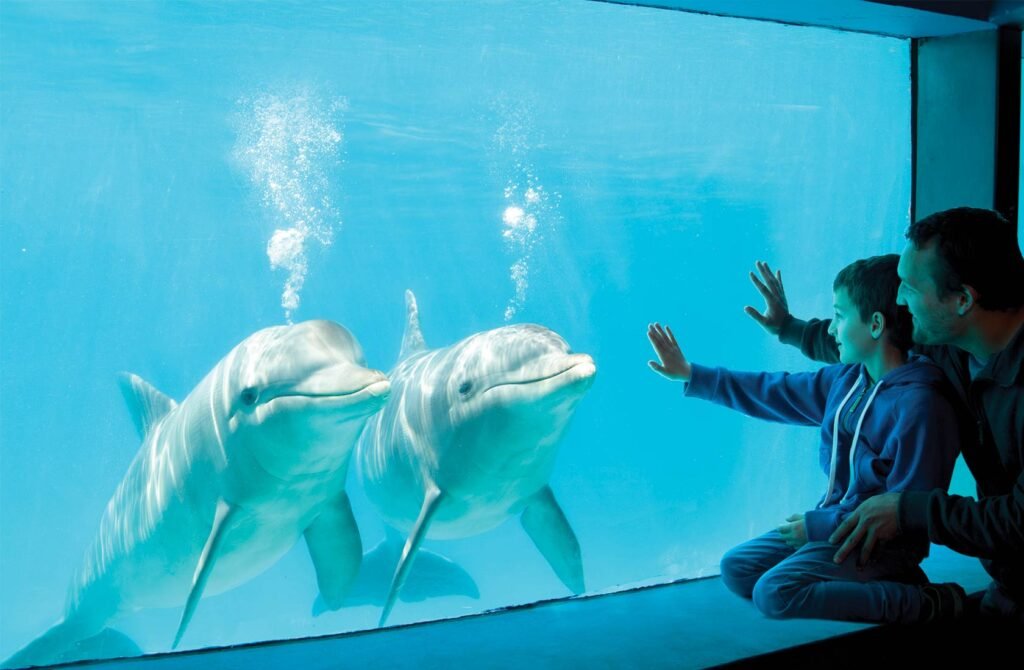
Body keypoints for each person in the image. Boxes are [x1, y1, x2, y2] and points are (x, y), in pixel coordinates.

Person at [648, 254, 964, 623]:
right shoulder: (847, 380)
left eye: (840, 316)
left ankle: (926, 602)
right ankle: (881, 581)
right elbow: (774, 391)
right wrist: (693, 374)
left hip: (880, 542)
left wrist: (817, 528)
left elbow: (905, 510)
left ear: (876, 324)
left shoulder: (920, 405)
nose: (831, 330)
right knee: (737, 568)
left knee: (775, 593)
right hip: (837, 524)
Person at [746, 207, 1024, 620]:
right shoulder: (953, 344)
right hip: (1008, 583)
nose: (898, 300)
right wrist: (789, 328)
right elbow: (875, 343)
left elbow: (1019, 520)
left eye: (909, 287)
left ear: (963, 300)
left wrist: (906, 510)